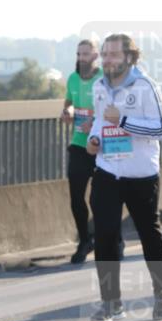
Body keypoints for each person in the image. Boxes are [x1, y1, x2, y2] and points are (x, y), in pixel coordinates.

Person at [86, 34, 162, 321]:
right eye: (104, 54)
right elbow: (100, 121)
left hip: (141, 174)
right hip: (107, 171)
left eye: (113, 54)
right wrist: (94, 139)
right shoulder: (99, 86)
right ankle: (111, 303)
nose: (107, 60)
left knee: (149, 234)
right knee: (104, 236)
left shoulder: (145, 86)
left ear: (129, 57)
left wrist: (122, 121)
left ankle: (161, 294)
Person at [60, 39, 104, 264]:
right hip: (78, 144)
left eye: (85, 54)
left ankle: (113, 240)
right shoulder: (73, 78)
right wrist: (67, 111)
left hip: (101, 145)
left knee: (102, 198)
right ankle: (85, 241)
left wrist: (95, 123)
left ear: (95, 56)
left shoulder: (104, 79)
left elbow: (114, 109)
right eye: (78, 54)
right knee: (76, 196)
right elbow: (69, 101)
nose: (81, 58)